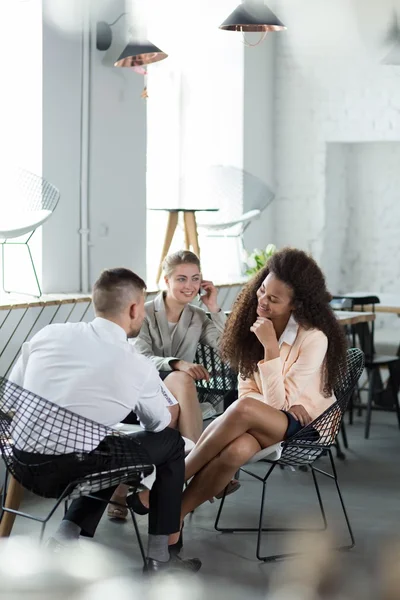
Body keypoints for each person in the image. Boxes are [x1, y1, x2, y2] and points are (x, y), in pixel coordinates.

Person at [8, 268, 201, 574]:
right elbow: (159, 424)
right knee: (171, 445)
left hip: (20, 461)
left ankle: (66, 535)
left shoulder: (48, 334)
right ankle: (160, 557)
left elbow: (15, 396)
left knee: (105, 447)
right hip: (69, 472)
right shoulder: (136, 365)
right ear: (135, 309)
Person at [167, 247, 348, 545]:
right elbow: (250, 392)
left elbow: (277, 405)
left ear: (296, 305)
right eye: (262, 291)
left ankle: (173, 479)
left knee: (245, 409)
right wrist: (278, 402)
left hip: (308, 428)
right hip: (267, 421)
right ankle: (174, 519)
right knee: (237, 449)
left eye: (273, 299)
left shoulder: (313, 338)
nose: (261, 301)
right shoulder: (251, 326)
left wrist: (271, 350)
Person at [107, 250, 235, 518]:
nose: (189, 286)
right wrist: (178, 363)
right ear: (166, 280)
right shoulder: (143, 312)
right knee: (181, 379)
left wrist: (214, 308)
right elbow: (139, 357)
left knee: (178, 398)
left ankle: (121, 493)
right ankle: (203, 469)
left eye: (195, 279)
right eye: (181, 279)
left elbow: (228, 351)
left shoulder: (199, 317)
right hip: (138, 395)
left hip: (176, 400)